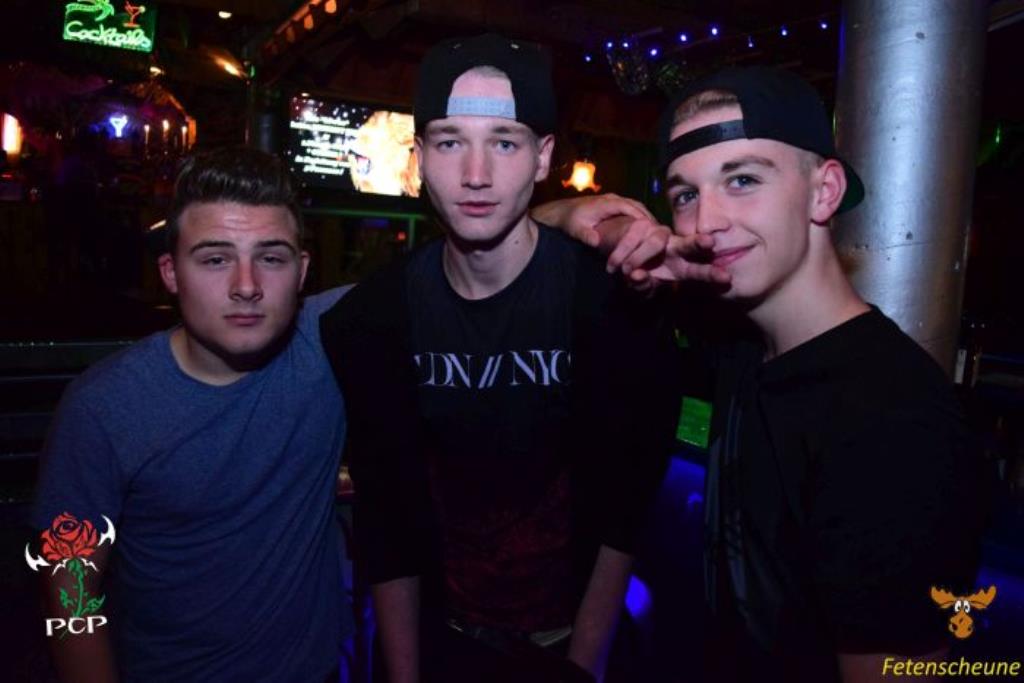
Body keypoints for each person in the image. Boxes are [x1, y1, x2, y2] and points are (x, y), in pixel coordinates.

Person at [540, 66, 988, 682]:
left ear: (824, 192)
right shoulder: (743, 338)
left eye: (743, 180)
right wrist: (599, 220)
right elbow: (526, 233)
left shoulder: (890, 423)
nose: (706, 223)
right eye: (686, 195)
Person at [319, 33, 681, 683]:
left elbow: (625, 509)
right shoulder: (376, 317)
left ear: (543, 158)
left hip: (578, 644)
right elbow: (388, 518)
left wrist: (583, 667)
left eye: (505, 143)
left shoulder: (611, 303)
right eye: (450, 142)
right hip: (444, 643)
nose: (476, 173)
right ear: (419, 157)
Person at [31, 147, 355, 683]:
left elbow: (463, 271)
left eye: (271, 258)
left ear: (301, 272)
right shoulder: (104, 407)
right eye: (215, 259)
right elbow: (69, 594)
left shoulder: (332, 343)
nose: (246, 285)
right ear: (171, 273)